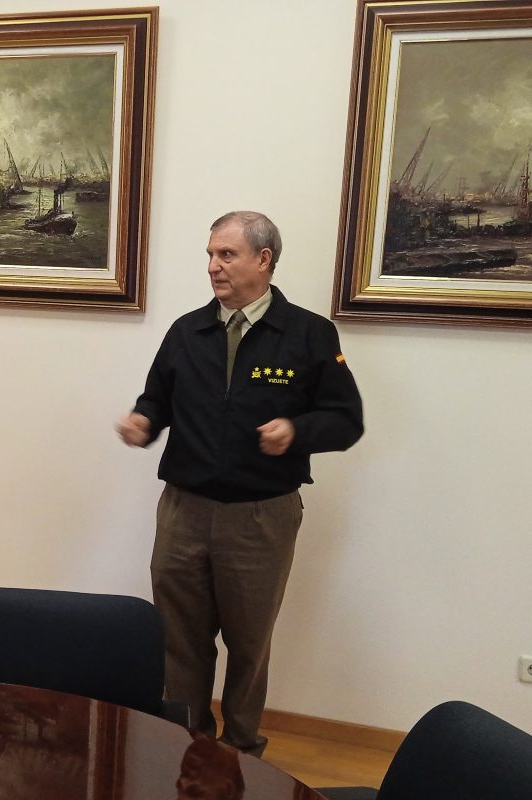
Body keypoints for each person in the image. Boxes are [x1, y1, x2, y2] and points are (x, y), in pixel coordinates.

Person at [117, 210, 362, 755]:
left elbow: (345, 419)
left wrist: (297, 430)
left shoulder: (309, 334)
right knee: (180, 638)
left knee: (249, 643)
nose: (212, 267)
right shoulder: (187, 330)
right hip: (183, 510)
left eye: (226, 255)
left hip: (260, 515)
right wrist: (143, 420)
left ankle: (245, 749)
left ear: (264, 259)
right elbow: (157, 396)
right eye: (210, 255)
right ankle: (185, 741)